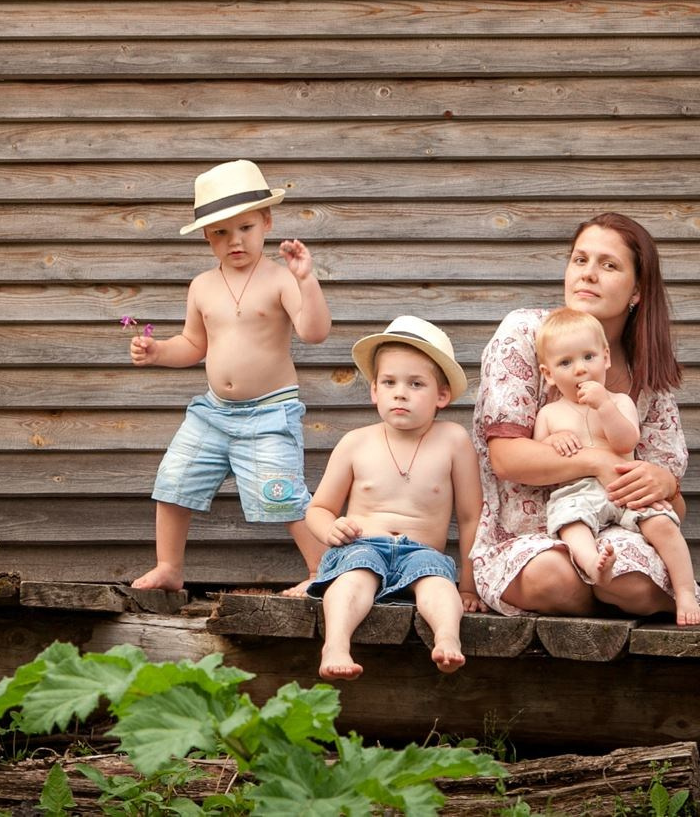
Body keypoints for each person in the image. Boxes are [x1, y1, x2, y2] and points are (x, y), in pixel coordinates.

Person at [470, 211, 700, 625]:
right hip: (526, 537)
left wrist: (664, 482)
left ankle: (643, 594)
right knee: (555, 578)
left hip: (616, 532)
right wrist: (596, 461)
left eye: (608, 265)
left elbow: (674, 506)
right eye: (580, 260)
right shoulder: (527, 333)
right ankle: (678, 602)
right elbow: (506, 458)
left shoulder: (645, 375)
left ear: (637, 291)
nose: (588, 275)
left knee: (625, 574)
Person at [128, 159, 331, 593]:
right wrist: (159, 350)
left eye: (245, 228)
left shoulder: (279, 279)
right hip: (213, 413)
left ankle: (320, 571)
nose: (234, 240)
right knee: (174, 480)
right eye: (220, 232)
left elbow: (314, 333)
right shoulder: (202, 285)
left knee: (285, 494)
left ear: (266, 222)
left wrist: (307, 281)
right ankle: (169, 567)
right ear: (206, 236)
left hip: (269, 413)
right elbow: (194, 345)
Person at [303, 316, 484, 679]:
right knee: (352, 580)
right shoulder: (356, 442)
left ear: (442, 395)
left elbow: (470, 516)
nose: (400, 392)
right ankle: (336, 644)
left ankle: (447, 639)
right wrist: (330, 530)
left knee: (438, 586)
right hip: (362, 546)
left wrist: (468, 584)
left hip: (423, 553)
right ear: (374, 391)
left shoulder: (453, 441)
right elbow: (319, 508)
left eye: (416, 384)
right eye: (389, 382)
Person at [535, 307, 700, 624]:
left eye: (588, 357)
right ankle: (594, 565)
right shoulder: (549, 414)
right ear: (548, 374)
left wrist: (605, 406)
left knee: (663, 524)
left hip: (625, 488)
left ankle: (685, 592)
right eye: (566, 363)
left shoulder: (620, 401)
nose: (580, 370)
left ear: (606, 357)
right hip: (578, 491)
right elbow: (537, 452)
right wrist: (551, 442)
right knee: (571, 525)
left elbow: (626, 442)